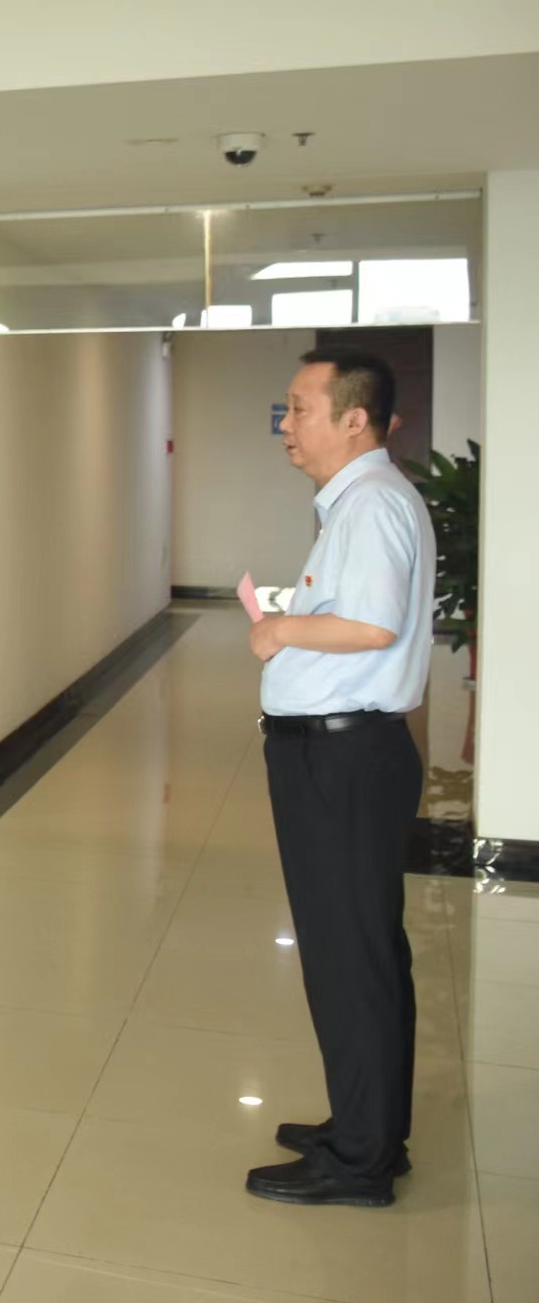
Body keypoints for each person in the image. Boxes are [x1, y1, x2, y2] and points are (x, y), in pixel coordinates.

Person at [243, 347, 437, 1209]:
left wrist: (280, 632)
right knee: (358, 951)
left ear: (353, 419)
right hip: (343, 755)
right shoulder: (360, 501)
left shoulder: (370, 504)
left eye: (298, 408)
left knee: (349, 956)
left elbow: (370, 626)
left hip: (343, 759)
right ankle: (367, 1128)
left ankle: (359, 1161)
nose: (284, 424)